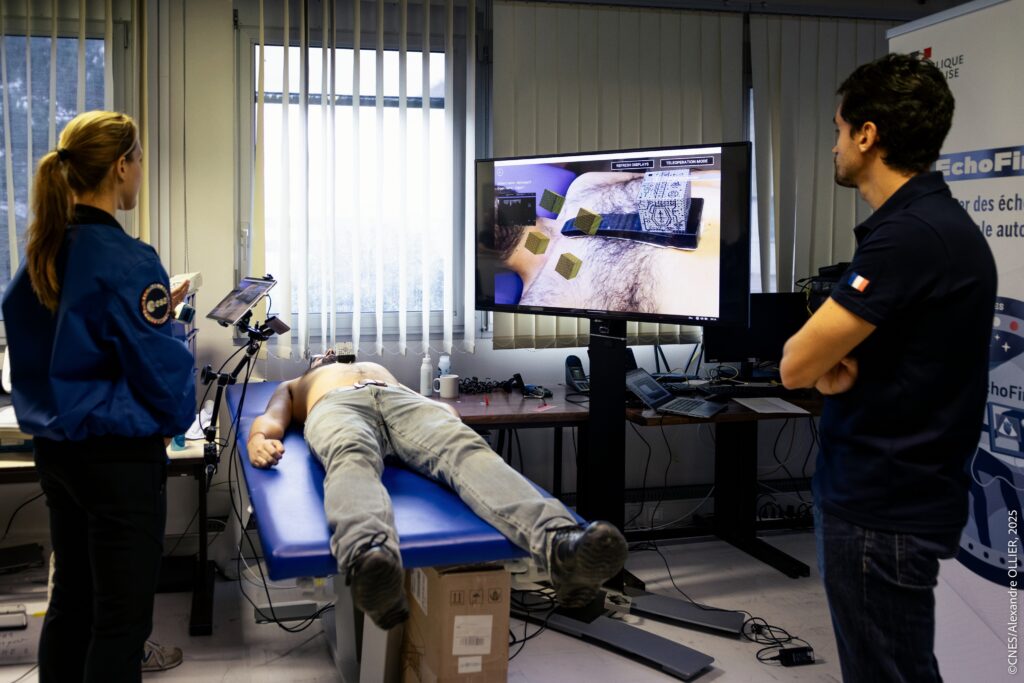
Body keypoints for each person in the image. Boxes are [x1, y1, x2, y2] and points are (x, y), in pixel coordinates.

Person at [779, 53, 997, 682]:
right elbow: (829, 368)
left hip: (883, 509)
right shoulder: (925, 227)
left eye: (838, 130)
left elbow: (797, 365)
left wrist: (826, 366)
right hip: (891, 498)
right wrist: (830, 367)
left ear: (867, 135)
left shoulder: (912, 236)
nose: (833, 147)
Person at [1, 111, 196, 682]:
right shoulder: (129, 262)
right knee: (120, 624)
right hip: (118, 464)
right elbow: (165, 384)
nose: (141, 172)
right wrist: (168, 318)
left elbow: (49, 348)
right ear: (121, 167)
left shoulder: (44, 253)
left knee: (73, 606)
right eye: (139, 161)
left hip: (59, 456)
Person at [247, 351, 628, 629]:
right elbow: (269, 418)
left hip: (404, 401)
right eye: (323, 355)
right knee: (351, 456)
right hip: (337, 406)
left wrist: (450, 421)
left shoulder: (378, 370)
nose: (331, 354)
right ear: (312, 362)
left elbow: (441, 411)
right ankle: (369, 559)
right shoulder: (298, 384)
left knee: (466, 451)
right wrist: (258, 440)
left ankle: (561, 545)